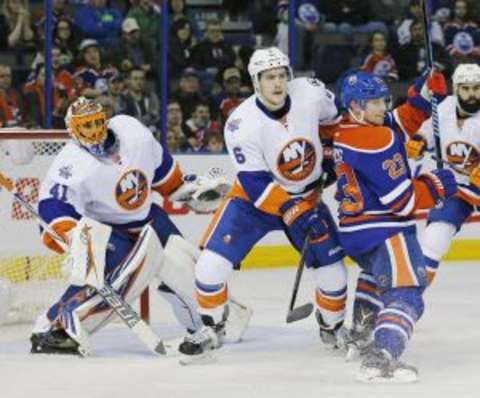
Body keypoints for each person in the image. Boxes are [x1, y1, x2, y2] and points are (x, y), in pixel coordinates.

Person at [30, 97, 250, 355]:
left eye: (97, 123)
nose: (94, 131)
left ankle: (207, 323)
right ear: (73, 131)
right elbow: (52, 205)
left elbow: (165, 177)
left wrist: (192, 190)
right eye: (85, 126)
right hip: (111, 230)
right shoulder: (70, 163)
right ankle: (52, 328)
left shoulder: (132, 131)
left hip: (150, 218)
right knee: (108, 283)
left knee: (183, 266)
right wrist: (75, 238)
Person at [178, 47, 348, 362]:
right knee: (209, 267)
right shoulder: (241, 123)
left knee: (334, 275)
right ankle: (211, 327)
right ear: (256, 82)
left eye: (282, 75)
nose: (277, 83)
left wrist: (331, 155)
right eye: (270, 77)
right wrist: (295, 210)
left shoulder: (310, 93)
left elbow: (337, 122)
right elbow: (257, 185)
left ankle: (332, 327)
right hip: (253, 202)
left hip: (306, 195)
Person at [332, 70, 456, 382]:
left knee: (377, 275)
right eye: (373, 102)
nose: (381, 107)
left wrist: (423, 90)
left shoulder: (347, 129)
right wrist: (436, 185)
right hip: (385, 228)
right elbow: (403, 202)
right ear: (356, 106)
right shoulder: (377, 139)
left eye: (382, 99)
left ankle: (361, 332)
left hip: (355, 231)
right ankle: (382, 355)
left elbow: (399, 121)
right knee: (407, 292)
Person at [406, 63, 480, 284]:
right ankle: (409, 296)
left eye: (477, 88)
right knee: (434, 237)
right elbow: (428, 131)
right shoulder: (444, 107)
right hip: (458, 189)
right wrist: (419, 141)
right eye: (466, 88)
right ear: (456, 89)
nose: (472, 94)